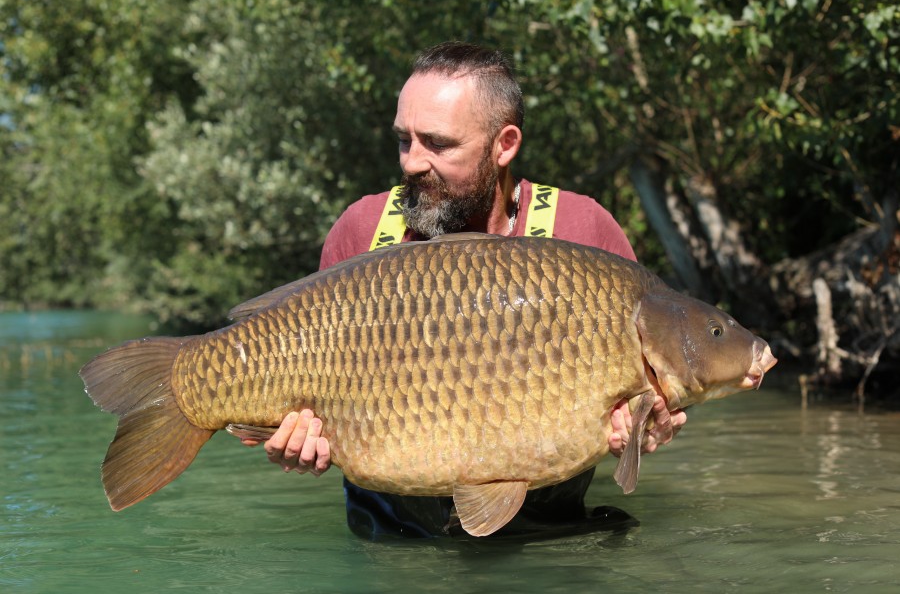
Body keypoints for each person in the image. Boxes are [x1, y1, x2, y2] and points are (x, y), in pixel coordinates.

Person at [240, 41, 686, 539]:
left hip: (549, 542)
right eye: (404, 140)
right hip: (395, 542)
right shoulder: (362, 229)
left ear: (505, 144)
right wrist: (298, 442)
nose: (411, 162)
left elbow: (643, 398)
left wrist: (646, 426)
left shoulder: (583, 231)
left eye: (437, 143)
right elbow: (307, 403)